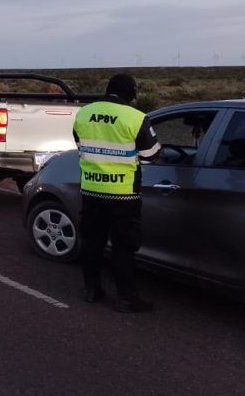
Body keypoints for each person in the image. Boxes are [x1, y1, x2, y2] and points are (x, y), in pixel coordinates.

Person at [73, 73, 161, 313]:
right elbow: (151, 155)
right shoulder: (135, 117)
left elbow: (80, 144)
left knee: (92, 242)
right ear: (130, 92)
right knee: (124, 246)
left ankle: (92, 289)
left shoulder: (84, 113)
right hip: (123, 194)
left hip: (91, 188)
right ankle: (127, 298)